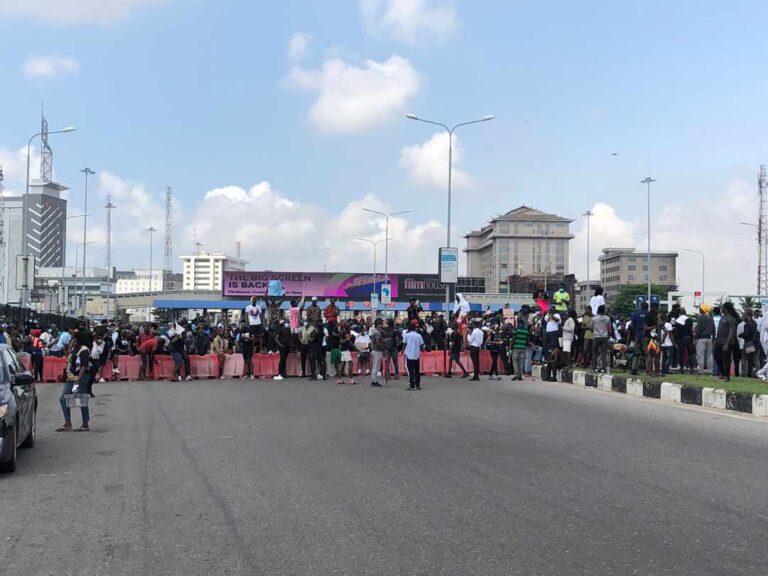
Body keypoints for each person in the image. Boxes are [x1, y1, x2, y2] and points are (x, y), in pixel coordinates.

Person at [56, 332, 93, 432]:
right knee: (63, 398)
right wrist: (69, 348)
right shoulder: (74, 348)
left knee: (81, 399)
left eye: (73, 339)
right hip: (70, 377)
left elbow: (83, 366)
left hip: (81, 377)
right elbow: (70, 360)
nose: (71, 340)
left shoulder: (84, 350)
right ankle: (68, 422)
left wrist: (78, 380)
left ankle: (85, 423)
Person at [714, 301, 738, 382]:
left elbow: (731, 332)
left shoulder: (732, 319)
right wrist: (716, 340)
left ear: (726, 309)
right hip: (719, 341)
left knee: (726, 359)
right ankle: (722, 373)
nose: (722, 309)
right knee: (717, 357)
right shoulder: (722, 317)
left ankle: (727, 377)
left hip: (727, 343)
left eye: (723, 308)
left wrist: (727, 344)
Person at [403, 319, 424, 390]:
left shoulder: (407, 335)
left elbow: (404, 344)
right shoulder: (419, 336)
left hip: (409, 355)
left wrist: (402, 350)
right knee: (417, 371)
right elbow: (422, 346)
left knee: (411, 371)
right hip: (416, 355)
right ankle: (418, 385)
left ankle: (412, 385)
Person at [695, 304, 715, 375]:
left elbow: (698, 329)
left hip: (701, 339)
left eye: (700, 308)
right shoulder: (711, 318)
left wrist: (696, 338)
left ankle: (701, 371)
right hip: (709, 338)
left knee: (701, 355)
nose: (699, 309)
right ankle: (710, 371)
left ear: (703, 310)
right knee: (709, 355)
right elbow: (714, 330)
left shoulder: (701, 318)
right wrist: (713, 339)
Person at [630, 302, 648, 375]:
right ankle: (648, 369)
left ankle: (634, 369)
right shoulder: (648, 314)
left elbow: (632, 324)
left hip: (638, 335)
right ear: (647, 307)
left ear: (641, 307)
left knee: (636, 353)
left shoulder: (636, 314)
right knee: (647, 353)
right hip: (646, 335)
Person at [592, 305, 611, 373]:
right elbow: (609, 328)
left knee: (595, 353)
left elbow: (592, 327)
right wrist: (609, 336)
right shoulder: (607, 318)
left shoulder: (594, 318)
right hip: (604, 337)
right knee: (604, 353)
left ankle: (595, 367)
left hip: (596, 337)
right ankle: (603, 368)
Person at [511, 316, 529, 381]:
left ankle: (516, 375)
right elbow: (527, 340)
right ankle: (520, 376)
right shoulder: (526, 331)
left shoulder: (516, 330)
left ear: (518, 324)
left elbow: (513, 339)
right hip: (523, 348)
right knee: (521, 362)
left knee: (515, 362)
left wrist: (511, 347)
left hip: (516, 348)